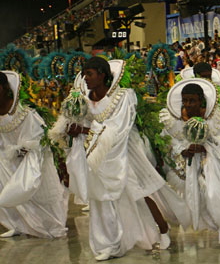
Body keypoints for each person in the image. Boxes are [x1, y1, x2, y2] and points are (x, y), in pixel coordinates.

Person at [50, 58, 171, 260]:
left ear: (103, 74)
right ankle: (109, 243)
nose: (85, 78)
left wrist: (84, 130)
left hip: (123, 150)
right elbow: (81, 122)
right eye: (84, 74)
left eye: (89, 73)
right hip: (95, 154)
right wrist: (70, 128)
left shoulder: (124, 97)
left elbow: (119, 128)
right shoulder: (84, 99)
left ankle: (164, 227)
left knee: (137, 191)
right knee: (101, 199)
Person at [159, 79, 220, 244]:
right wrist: (184, 151)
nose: (188, 104)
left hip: (211, 161)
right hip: (185, 163)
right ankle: (208, 224)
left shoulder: (215, 118)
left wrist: (206, 149)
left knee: (214, 192)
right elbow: (170, 143)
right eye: (185, 100)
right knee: (193, 196)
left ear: (201, 100)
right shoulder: (175, 119)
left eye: (192, 100)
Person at [0, 71, 68, 239]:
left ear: (2, 88)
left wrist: (21, 151)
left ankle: (50, 225)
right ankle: (17, 224)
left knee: (36, 191)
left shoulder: (26, 112)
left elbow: (39, 138)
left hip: (34, 157)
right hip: (8, 159)